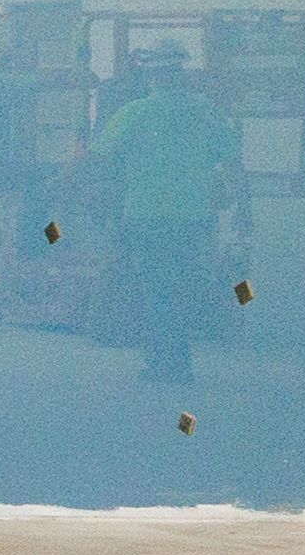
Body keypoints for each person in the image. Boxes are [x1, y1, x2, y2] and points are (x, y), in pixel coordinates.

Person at [96, 56, 240, 388]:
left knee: (155, 289)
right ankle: (178, 359)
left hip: (145, 216)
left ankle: (163, 360)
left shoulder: (136, 112)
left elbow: (100, 156)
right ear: (182, 75)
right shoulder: (207, 113)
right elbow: (233, 163)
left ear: (153, 77)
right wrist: (243, 209)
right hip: (193, 218)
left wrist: (65, 184)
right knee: (182, 286)